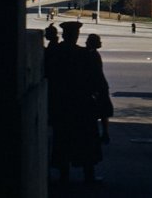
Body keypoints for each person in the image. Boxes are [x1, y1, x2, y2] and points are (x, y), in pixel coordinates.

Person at [51, 21, 104, 184]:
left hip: (62, 103)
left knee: (63, 139)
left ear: (64, 35)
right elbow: (96, 79)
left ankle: (63, 174)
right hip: (82, 104)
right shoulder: (85, 54)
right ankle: (89, 174)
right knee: (86, 139)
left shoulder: (56, 52)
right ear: (75, 36)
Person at [85, 34, 114, 144]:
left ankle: (102, 134)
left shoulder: (92, 55)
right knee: (103, 112)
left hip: (98, 87)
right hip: (101, 86)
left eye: (88, 41)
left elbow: (94, 74)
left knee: (99, 111)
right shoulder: (93, 54)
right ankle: (104, 134)